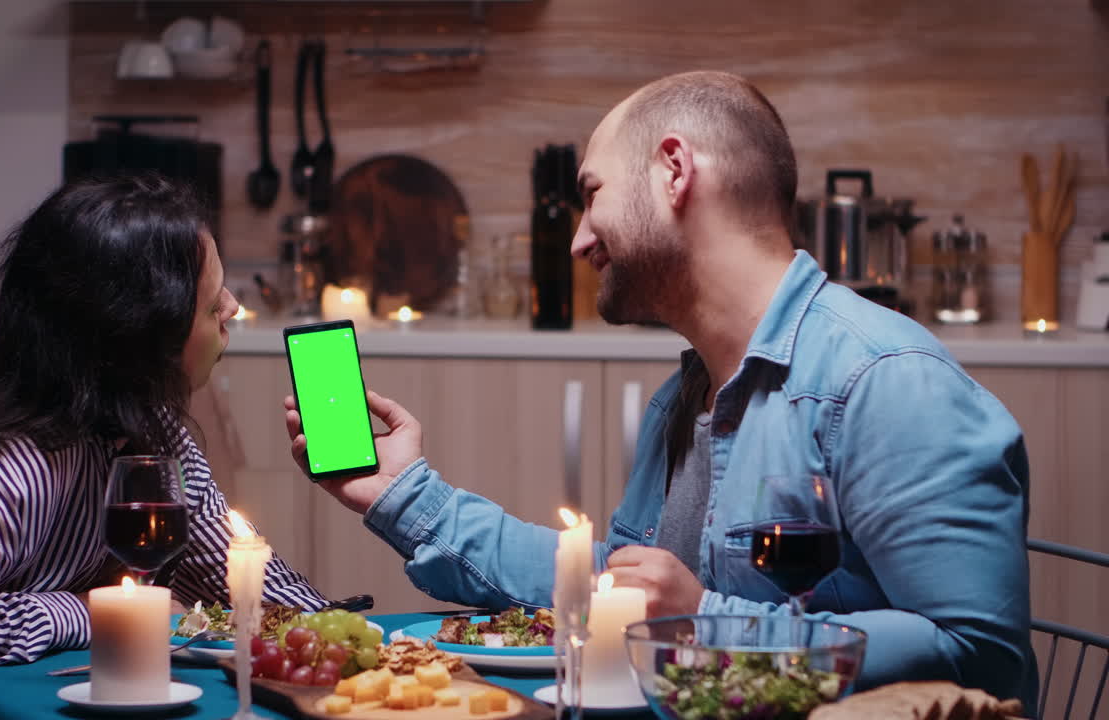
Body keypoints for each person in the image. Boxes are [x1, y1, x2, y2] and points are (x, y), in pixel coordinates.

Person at [284, 71, 1036, 709]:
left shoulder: (885, 381)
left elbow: (981, 660)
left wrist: (707, 622)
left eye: (593, 192)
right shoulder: (687, 395)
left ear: (674, 170)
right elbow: (623, 582)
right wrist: (403, 495)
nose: (579, 238)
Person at [0, 175, 326, 719]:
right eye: (211, 305)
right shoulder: (14, 460)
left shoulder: (154, 436)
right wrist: (86, 612)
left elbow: (234, 577)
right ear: (140, 333)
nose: (232, 308)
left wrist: (335, 630)